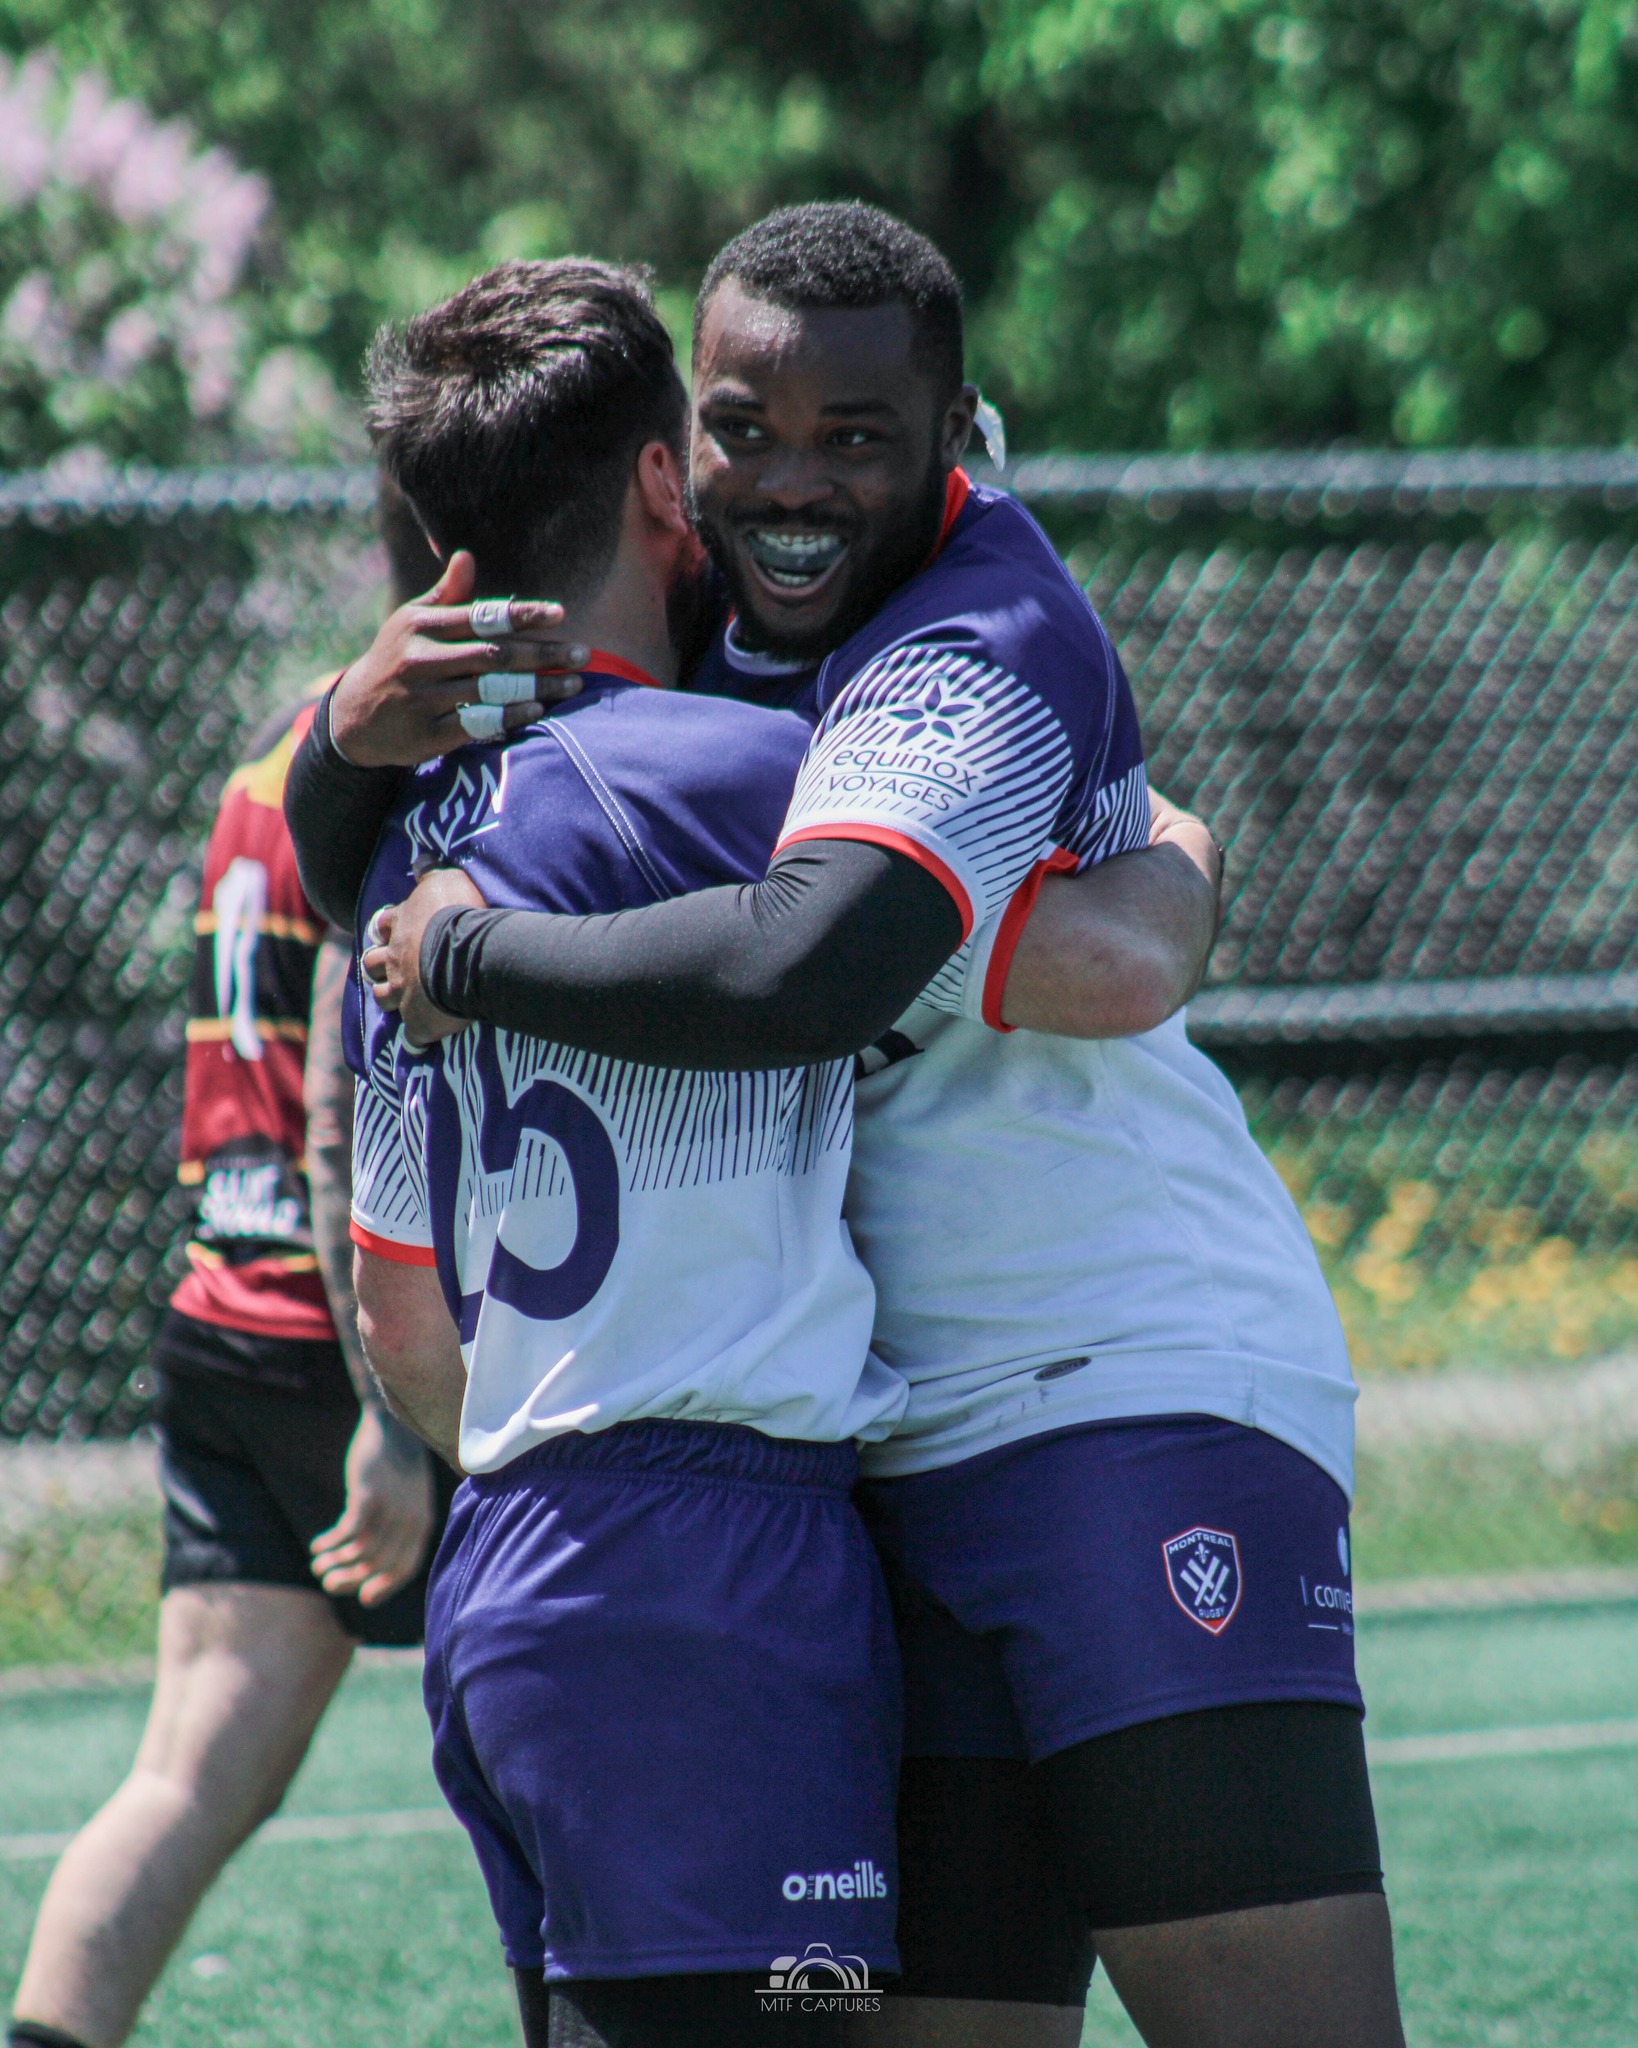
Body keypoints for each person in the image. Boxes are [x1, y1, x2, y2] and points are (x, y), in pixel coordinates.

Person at [296, 204, 1403, 2048]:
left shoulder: (973, 627)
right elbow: (384, 846)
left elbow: (834, 959)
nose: (791, 481)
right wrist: (345, 734)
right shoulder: (704, 611)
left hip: (1115, 1382)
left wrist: (466, 951)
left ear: (953, 439)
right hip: (865, 1463)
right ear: (675, 459)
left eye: (856, 437)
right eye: (745, 429)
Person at [345, 256, 924, 2048]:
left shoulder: (395, 848)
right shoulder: (746, 774)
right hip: (708, 1583)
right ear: (663, 485)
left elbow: (399, 1308)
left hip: (509, 1566)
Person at [6, 482, 452, 2048]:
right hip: (361, 1344)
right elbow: (340, 1080)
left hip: (222, 1309)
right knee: (596, 1762)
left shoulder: (282, 741)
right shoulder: (413, 751)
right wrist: (392, 1412)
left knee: (184, 1777)